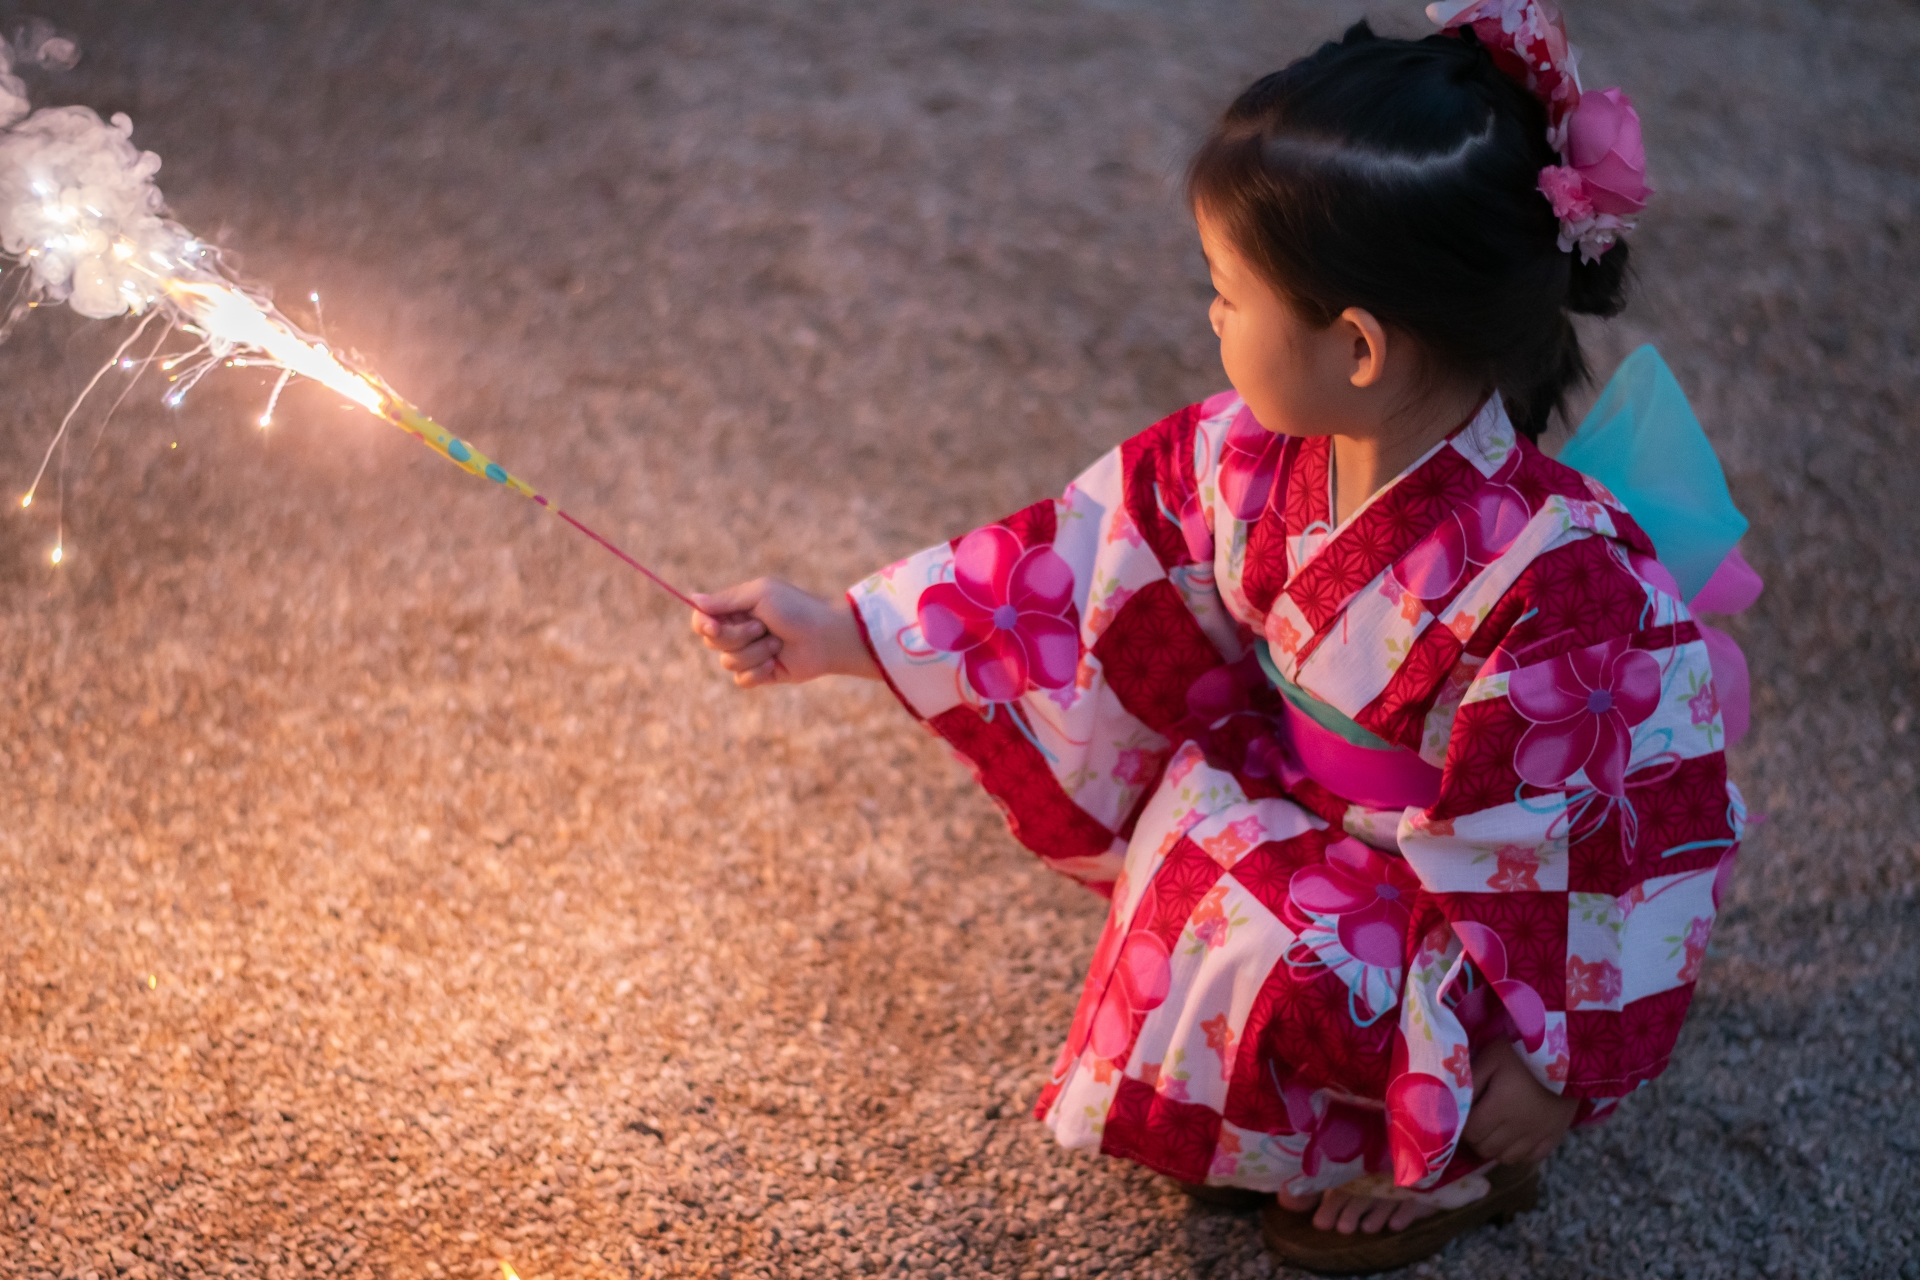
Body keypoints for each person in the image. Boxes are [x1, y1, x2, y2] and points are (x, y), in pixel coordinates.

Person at [690, 3, 1751, 1271]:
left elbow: (1623, 837)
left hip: (1465, 902)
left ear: (1355, 345)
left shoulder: (1567, 580)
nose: (1211, 318)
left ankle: (1449, 1156)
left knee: (1316, 958)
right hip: (1307, 796)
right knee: (1199, 862)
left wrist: (1565, 1068)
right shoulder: (1249, 456)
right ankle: (1291, 1121)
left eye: (1229, 292)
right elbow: (1079, 565)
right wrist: (849, 631)